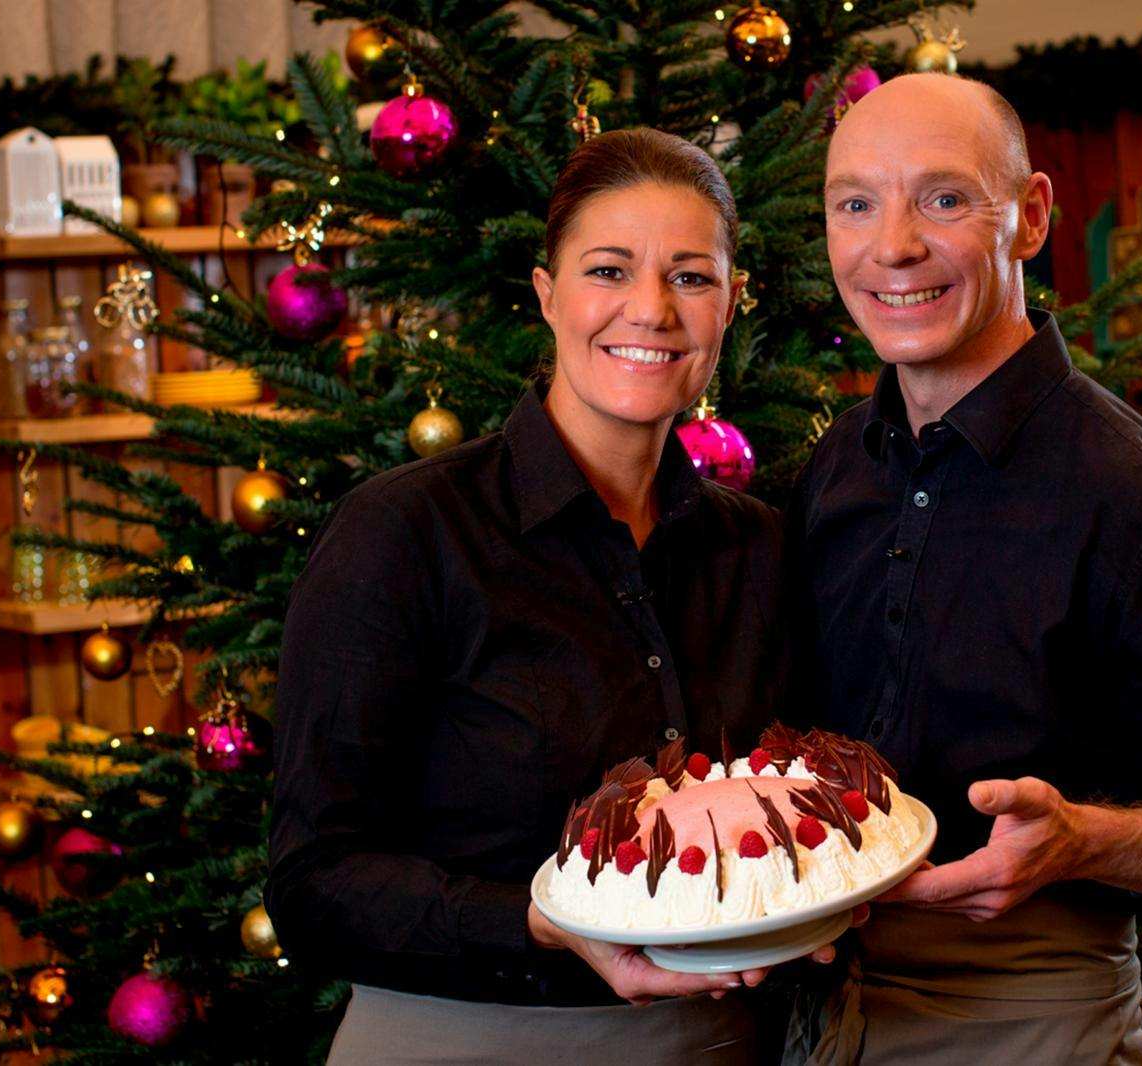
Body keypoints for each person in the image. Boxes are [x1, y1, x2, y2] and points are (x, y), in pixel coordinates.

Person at [786, 74, 1142, 1064]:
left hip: (1028, 1021)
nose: (892, 246)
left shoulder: (1137, 502)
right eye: (855, 204)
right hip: (811, 1013)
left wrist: (1087, 842)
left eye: (942, 198)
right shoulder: (832, 471)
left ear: (1031, 217)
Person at [268, 128, 811, 1064]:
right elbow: (315, 883)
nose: (651, 309)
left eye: (691, 277)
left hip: (728, 1045)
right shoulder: (403, 535)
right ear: (547, 295)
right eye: (609, 270)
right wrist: (536, 922)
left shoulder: (758, 546)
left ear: (731, 306)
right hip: (463, 1042)